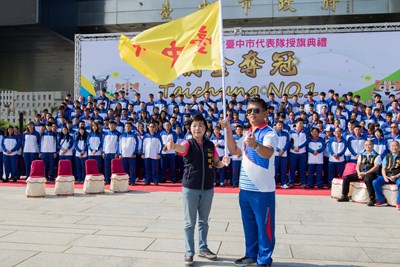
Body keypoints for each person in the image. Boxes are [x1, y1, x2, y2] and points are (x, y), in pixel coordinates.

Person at [165, 114, 230, 266]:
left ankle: (203, 248)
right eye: (194, 125)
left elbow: (216, 163)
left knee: (203, 221)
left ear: (205, 128)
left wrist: (224, 162)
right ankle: (189, 252)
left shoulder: (210, 145)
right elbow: (180, 148)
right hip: (190, 188)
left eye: (200, 125)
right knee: (189, 222)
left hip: (207, 188)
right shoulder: (188, 144)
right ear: (191, 128)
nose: (197, 128)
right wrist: (173, 146)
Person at [223, 98, 278, 267]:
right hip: (245, 189)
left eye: (256, 110)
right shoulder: (247, 133)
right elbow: (235, 151)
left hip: (263, 190)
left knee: (264, 227)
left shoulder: (269, 133)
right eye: (249, 111)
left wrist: (255, 145)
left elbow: (267, 153)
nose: (252, 113)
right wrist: (229, 131)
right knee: (249, 226)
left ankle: (264, 259)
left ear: (265, 113)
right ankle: (251, 255)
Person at [337, 140, 381, 206]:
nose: (368, 146)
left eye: (369, 144)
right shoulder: (362, 155)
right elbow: (358, 165)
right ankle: (345, 195)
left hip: (371, 173)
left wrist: (365, 173)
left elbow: (376, 167)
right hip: (360, 172)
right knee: (346, 178)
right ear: (364, 146)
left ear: (373, 145)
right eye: (366, 145)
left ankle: (372, 199)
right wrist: (359, 173)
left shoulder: (377, 156)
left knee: (367, 180)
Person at [372, 140, 400, 209]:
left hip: (397, 176)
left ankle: (399, 202)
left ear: (399, 147)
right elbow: (383, 168)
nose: (394, 147)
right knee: (375, 182)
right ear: (390, 148)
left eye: (396, 146)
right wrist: (384, 177)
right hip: (387, 175)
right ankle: (381, 200)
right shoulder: (387, 156)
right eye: (392, 146)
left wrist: (396, 176)